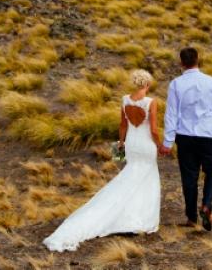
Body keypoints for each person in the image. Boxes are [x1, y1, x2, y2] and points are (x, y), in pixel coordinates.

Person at [43, 69, 161, 251]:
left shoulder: (125, 100)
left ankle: (126, 215)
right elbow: (153, 129)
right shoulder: (150, 102)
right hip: (146, 145)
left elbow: (123, 125)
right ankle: (139, 218)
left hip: (132, 144)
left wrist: (121, 143)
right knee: (147, 180)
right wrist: (160, 145)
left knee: (130, 176)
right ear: (147, 84)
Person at [159, 47, 212, 232]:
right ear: (198, 60)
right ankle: (206, 205)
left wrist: (167, 142)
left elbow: (171, 114)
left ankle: (191, 217)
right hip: (207, 136)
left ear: (181, 62)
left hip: (185, 137)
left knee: (189, 177)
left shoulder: (176, 84)